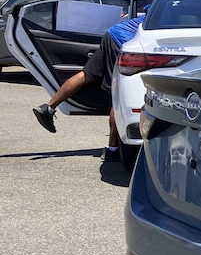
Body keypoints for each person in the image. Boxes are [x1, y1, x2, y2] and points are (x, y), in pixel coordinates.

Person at [32, 13, 144, 161]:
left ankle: (49, 107)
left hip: (113, 33)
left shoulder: (160, 7)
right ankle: (112, 149)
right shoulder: (171, 15)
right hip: (123, 42)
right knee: (118, 95)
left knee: (87, 75)